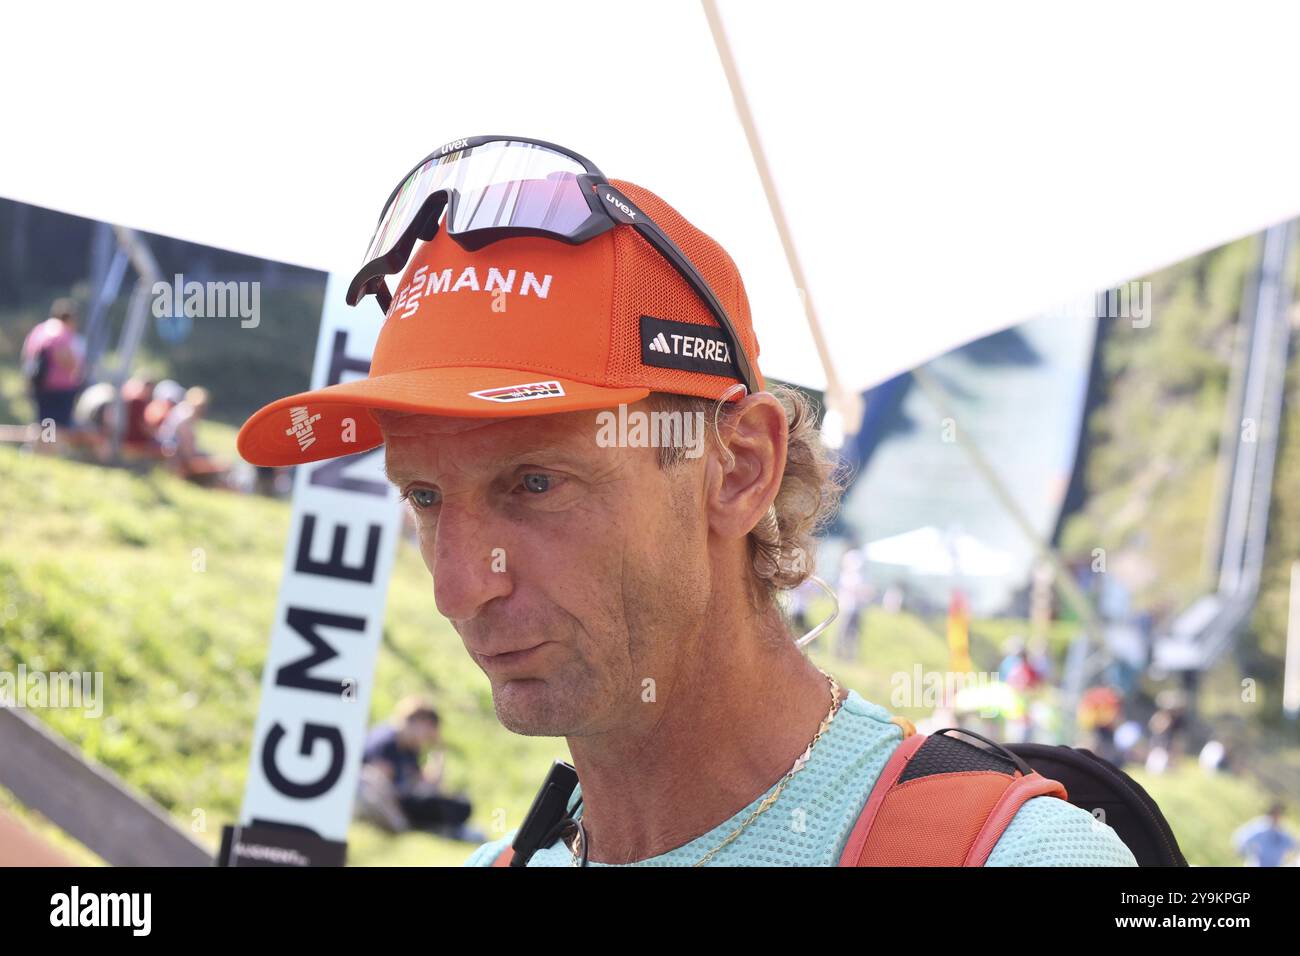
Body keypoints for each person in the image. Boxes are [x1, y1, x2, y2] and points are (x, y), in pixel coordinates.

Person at [235, 136, 1136, 867]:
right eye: (426, 498)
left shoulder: (1011, 858)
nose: (461, 585)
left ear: (738, 466)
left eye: (536, 484)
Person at [356, 697, 474, 835]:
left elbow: (427, 784)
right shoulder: (385, 740)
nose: (427, 739)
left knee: (462, 804)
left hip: (402, 801)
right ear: (418, 722)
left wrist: (437, 752)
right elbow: (381, 784)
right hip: (386, 800)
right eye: (427, 731)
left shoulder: (410, 749)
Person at [21, 298, 85, 441]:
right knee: (56, 425)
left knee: (43, 421)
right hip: (59, 387)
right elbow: (64, 357)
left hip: (39, 384)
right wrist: (77, 370)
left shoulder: (39, 330)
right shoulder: (61, 332)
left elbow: (26, 355)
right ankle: (48, 451)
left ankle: (37, 448)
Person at [1232, 802, 1296, 867]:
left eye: (1280, 814)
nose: (1277, 816)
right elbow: (1242, 839)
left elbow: (1293, 845)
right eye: (1275, 813)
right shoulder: (1260, 826)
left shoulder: (1283, 831)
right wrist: (1244, 851)